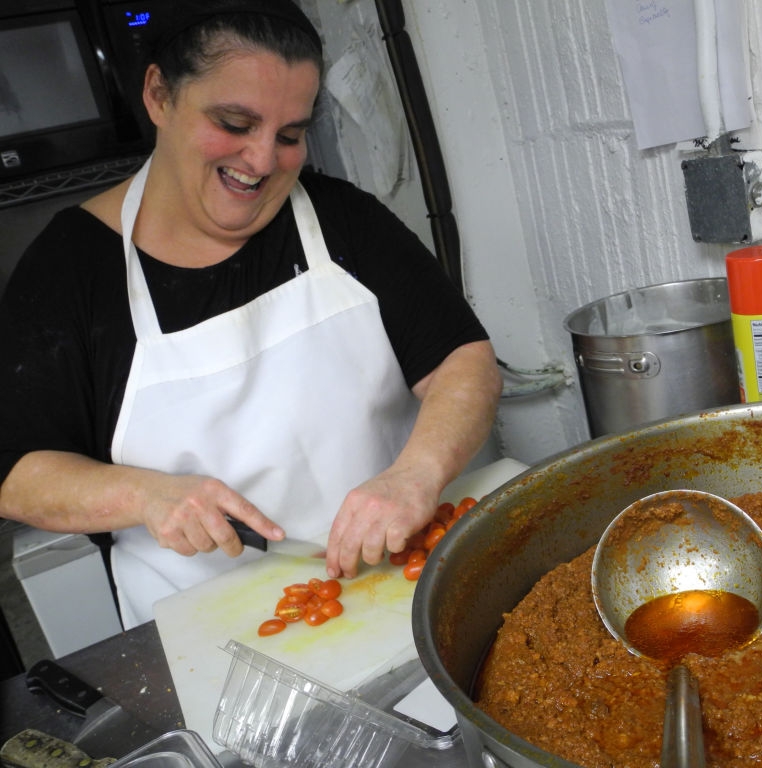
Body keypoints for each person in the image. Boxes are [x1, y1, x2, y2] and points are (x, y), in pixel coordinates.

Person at [0, 0, 501, 628]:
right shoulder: (71, 270)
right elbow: (17, 470)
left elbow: (463, 357)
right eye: (235, 123)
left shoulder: (340, 219)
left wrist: (416, 476)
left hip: (395, 589)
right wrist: (144, 493)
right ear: (158, 95)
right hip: (208, 629)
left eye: (290, 135)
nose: (263, 161)